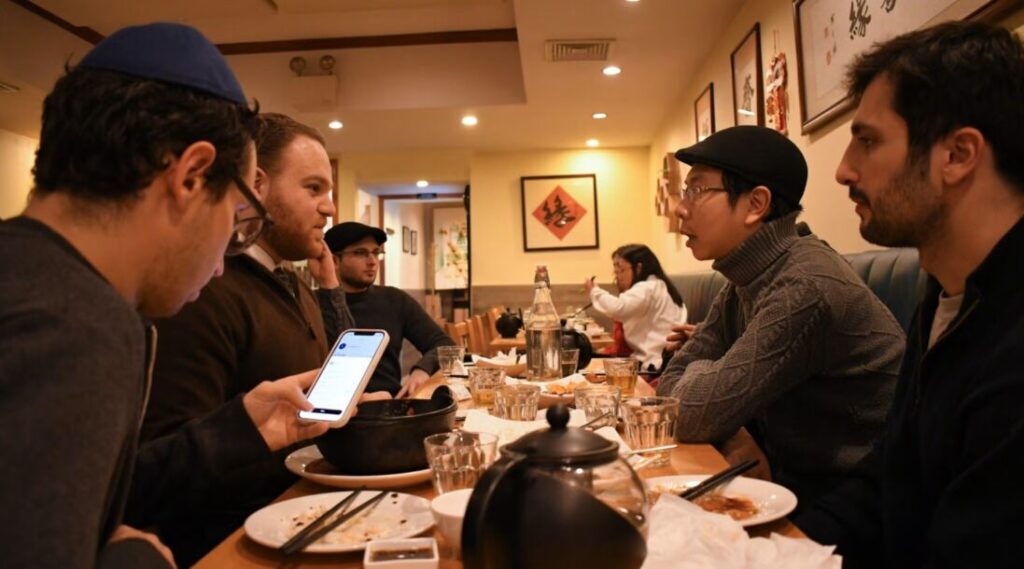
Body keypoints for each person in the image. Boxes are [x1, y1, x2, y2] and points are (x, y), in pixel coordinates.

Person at [0, 23, 340, 569]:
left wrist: (237, 430)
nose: (222, 259)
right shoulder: (77, 327)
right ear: (190, 175)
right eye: (236, 214)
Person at [795, 21, 1024, 568]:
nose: (843, 170)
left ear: (958, 155)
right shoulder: (947, 293)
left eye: (868, 141)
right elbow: (888, 485)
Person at [136, 112, 388, 564]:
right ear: (258, 185)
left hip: (313, 513)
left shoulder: (294, 286)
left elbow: (301, 412)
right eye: (313, 188)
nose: (330, 208)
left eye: (329, 192)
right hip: (243, 546)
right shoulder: (205, 290)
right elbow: (159, 471)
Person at [655, 125, 905, 507]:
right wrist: (731, 421)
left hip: (860, 503)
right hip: (798, 482)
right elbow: (670, 396)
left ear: (756, 204)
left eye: (697, 190)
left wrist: (716, 398)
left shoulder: (804, 286)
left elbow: (686, 414)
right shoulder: (745, 279)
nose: (680, 208)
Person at [324, 221, 456, 396]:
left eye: (376, 252)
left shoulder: (394, 299)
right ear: (334, 260)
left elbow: (445, 345)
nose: (372, 261)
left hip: (387, 403)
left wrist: (422, 370)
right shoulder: (314, 304)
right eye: (360, 253)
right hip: (330, 406)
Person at [584, 244, 687, 371]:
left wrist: (594, 290)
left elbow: (618, 308)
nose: (617, 276)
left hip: (656, 364)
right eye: (615, 271)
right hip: (658, 359)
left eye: (621, 270)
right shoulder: (658, 285)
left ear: (638, 268)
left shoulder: (648, 287)